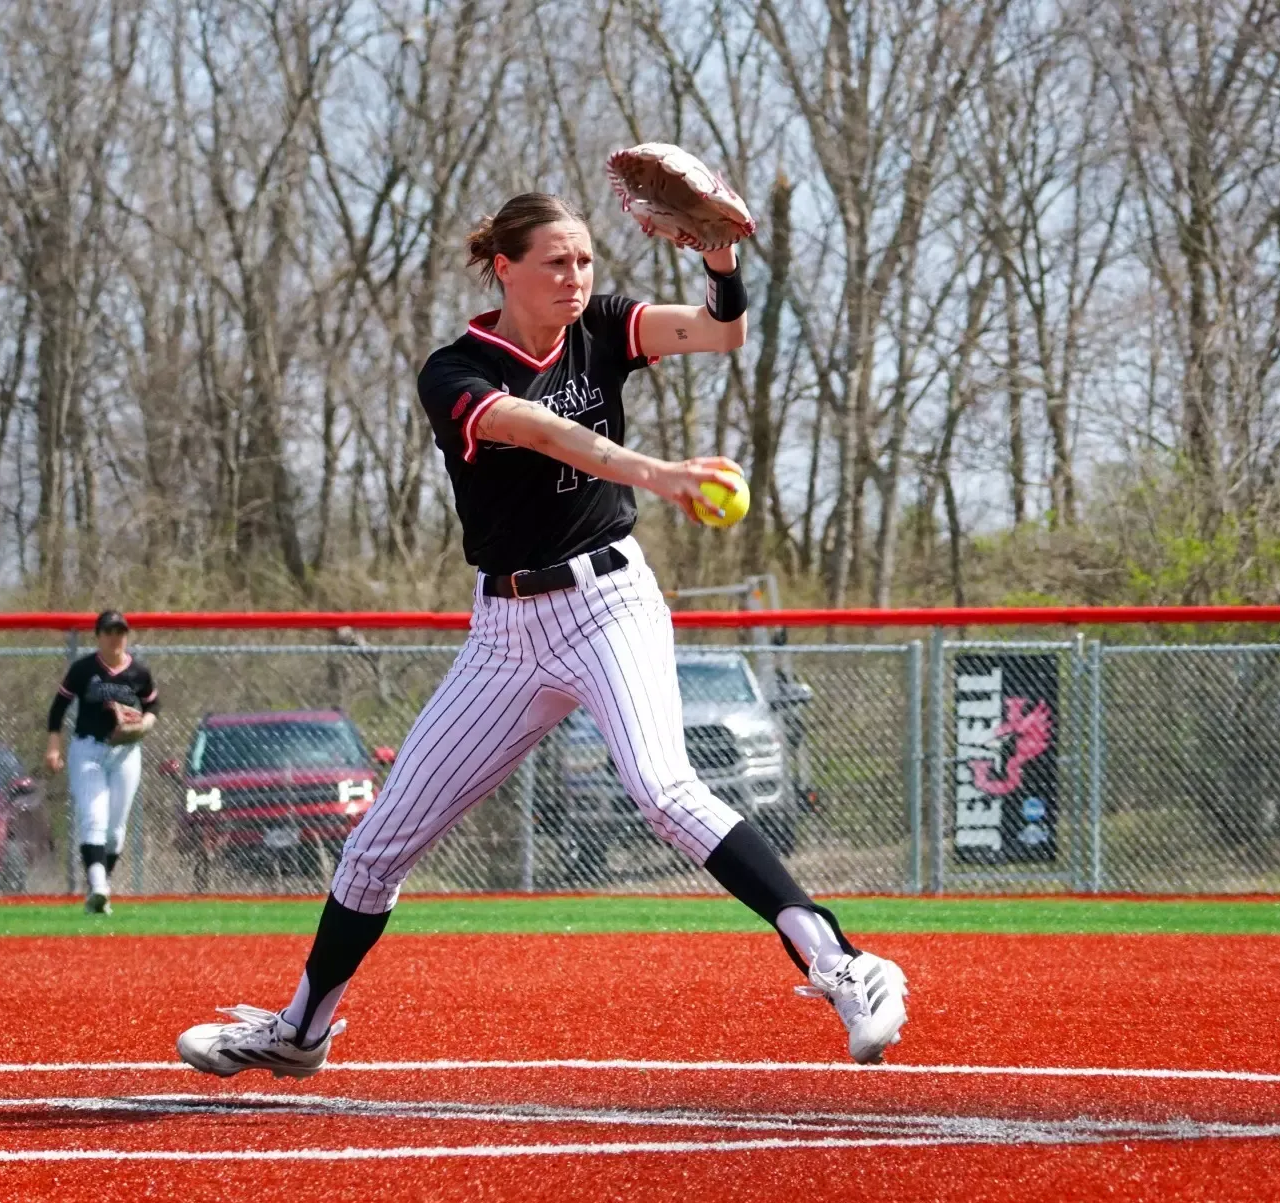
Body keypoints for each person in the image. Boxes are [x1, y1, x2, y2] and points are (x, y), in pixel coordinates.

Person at [177, 191, 906, 1077]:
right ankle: (299, 1031)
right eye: (556, 261)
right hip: (506, 630)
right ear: (505, 268)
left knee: (662, 786)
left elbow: (721, 334)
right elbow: (540, 429)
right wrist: (655, 471)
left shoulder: (603, 325)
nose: (576, 277)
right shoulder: (453, 370)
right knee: (377, 848)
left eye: (587, 259)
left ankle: (846, 964)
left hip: (609, 604)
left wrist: (719, 258)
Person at [46, 609, 158, 915]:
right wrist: (54, 748)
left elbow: (152, 705)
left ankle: (100, 890)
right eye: (109, 631)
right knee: (93, 817)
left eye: (120, 631)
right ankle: (97, 887)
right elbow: (58, 709)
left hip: (125, 753)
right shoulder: (83, 669)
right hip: (88, 750)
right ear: (98, 636)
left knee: (115, 829)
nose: (115, 637)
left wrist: (145, 723)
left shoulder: (138, 672)